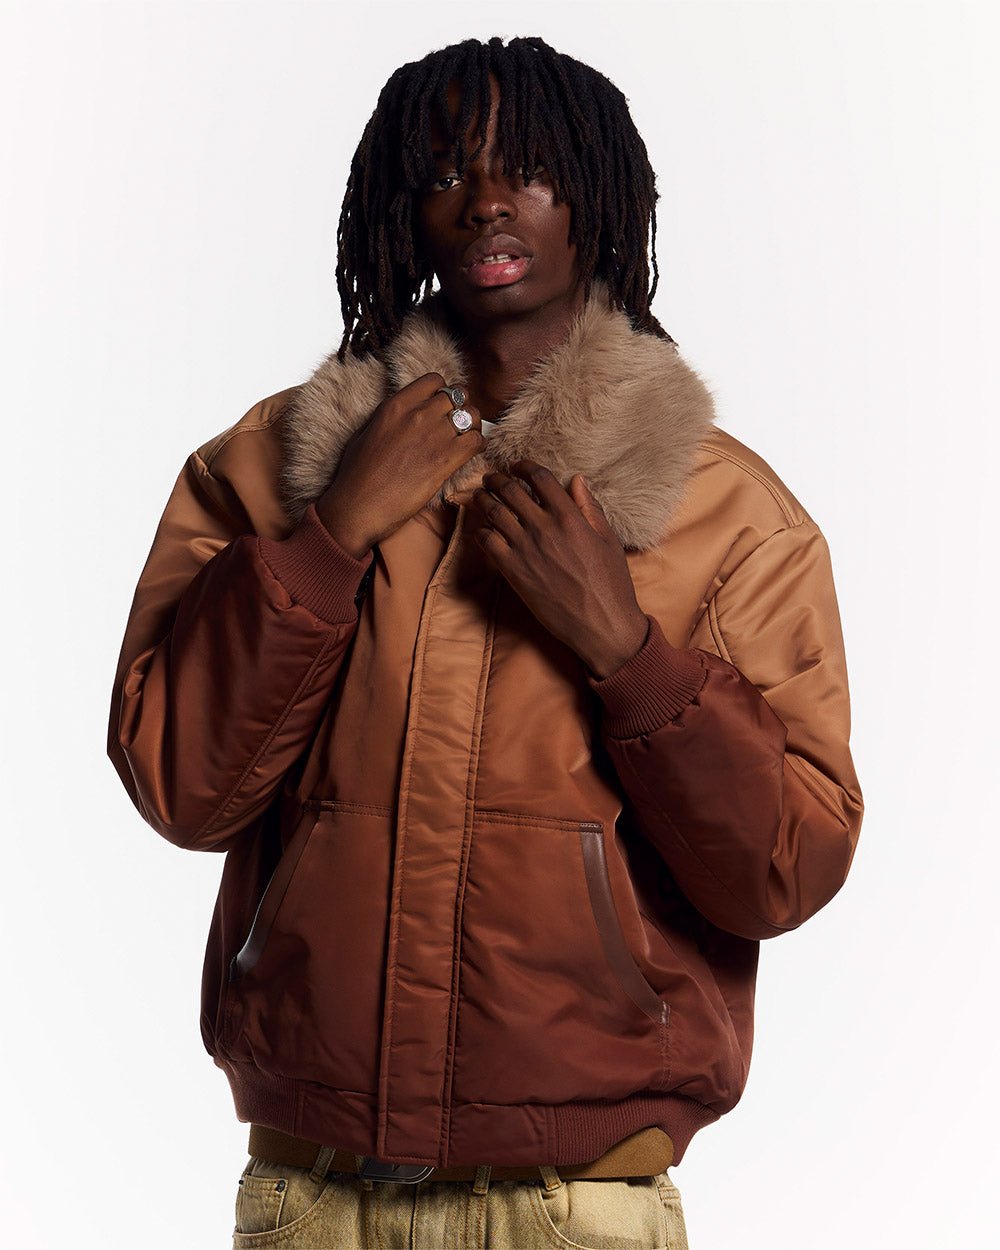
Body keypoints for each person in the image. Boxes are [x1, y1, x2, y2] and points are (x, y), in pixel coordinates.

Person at [106, 34, 864, 1250]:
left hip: (578, 1203)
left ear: (600, 199)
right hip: (315, 1195)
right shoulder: (266, 466)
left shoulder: (727, 516)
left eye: (532, 168)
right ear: (401, 206)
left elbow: (785, 866)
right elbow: (180, 786)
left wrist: (631, 656)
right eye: (447, 169)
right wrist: (330, 536)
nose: (487, 201)